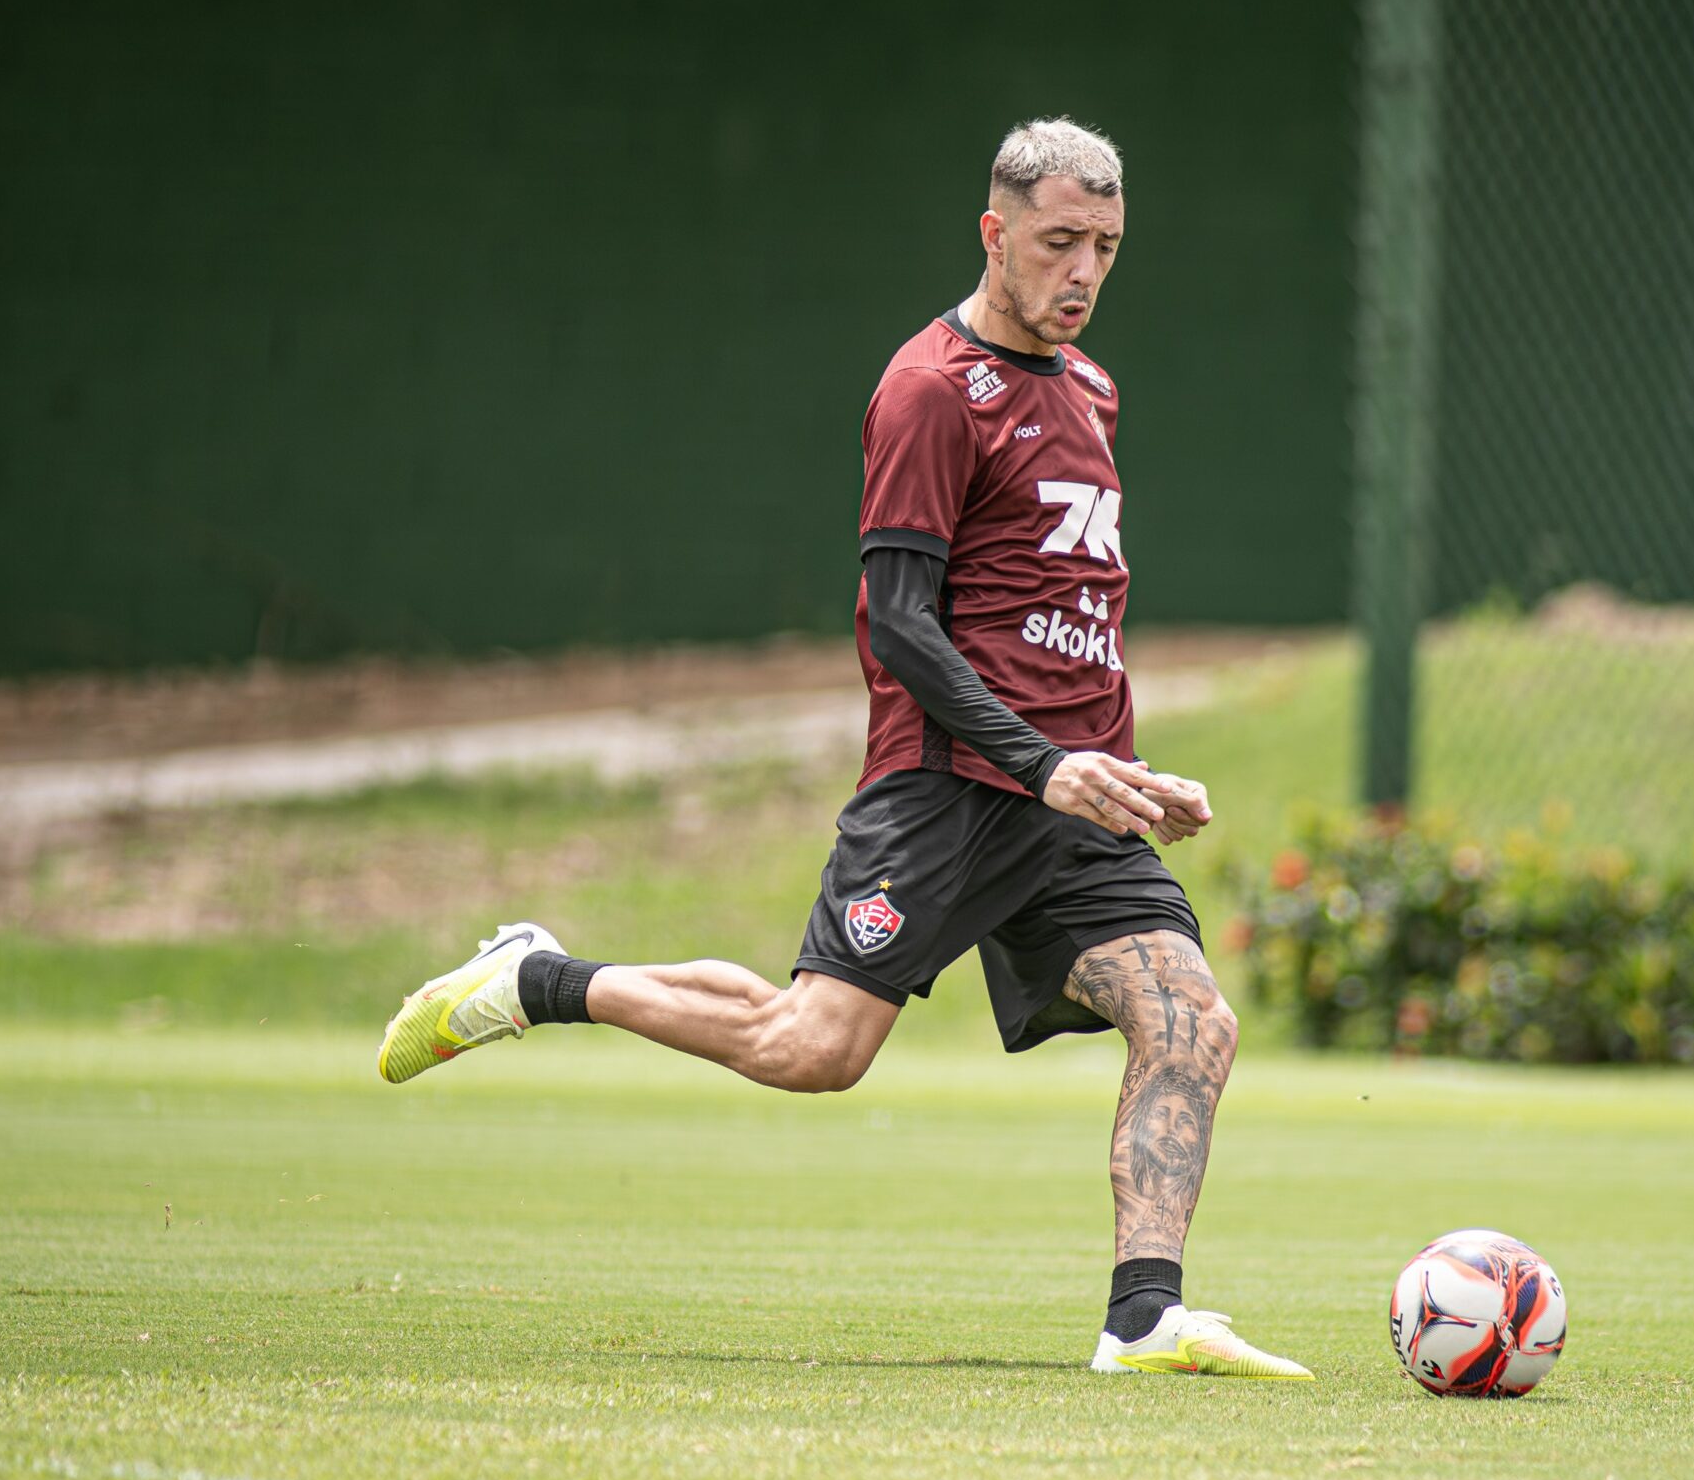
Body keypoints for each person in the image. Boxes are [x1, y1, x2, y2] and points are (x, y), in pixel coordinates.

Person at [376, 119, 1307, 1381]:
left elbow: (1061, 612)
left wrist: (1118, 769)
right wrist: (1041, 761)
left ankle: (1143, 1316)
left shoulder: (1091, 389)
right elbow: (901, 625)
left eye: (1104, 245)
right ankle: (539, 976)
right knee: (812, 1048)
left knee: (1190, 1015)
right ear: (994, 234)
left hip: (1072, 806)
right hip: (947, 789)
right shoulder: (929, 389)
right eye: (1057, 242)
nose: (1083, 271)